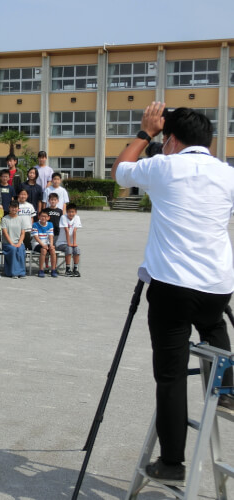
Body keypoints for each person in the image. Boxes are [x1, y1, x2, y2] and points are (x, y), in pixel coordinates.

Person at [112, 103, 234, 484]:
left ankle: (172, 463)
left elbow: (120, 174)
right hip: (217, 286)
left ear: (173, 139)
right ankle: (228, 387)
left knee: (171, 376)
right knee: (213, 325)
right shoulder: (228, 174)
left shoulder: (164, 166)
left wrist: (145, 133)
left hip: (172, 288)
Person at [1, 201, 26, 278]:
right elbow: (5, 233)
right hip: (7, 243)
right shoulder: (5, 219)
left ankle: (21, 272)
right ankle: (12, 272)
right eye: (12, 207)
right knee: (13, 249)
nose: (14, 209)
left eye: (15, 207)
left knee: (21, 249)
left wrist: (19, 243)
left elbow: (23, 233)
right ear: (9, 208)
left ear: (18, 209)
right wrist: (11, 243)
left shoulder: (21, 219)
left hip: (18, 242)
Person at [56, 202, 82, 277]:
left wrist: (74, 243)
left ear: (75, 212)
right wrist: (69, 243)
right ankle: (67, 269)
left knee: (76, 249)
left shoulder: (77, 218)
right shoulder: (63, 217)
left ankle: (75, 269)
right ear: (66, 212)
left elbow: (74, 230)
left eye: (73, 212)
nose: (71, 214)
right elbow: (66, 230)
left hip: (70, 242)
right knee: (69, 248)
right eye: (69, 212)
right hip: (61, 243)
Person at [31, 209, 57, 278]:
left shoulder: (50, 224)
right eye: (42, 216)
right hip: (37, 244)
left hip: (46, 243)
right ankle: (41, 269)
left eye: (45, 216)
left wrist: (51, 245)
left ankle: (53, 269)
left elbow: (51, 236)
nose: (43, 218)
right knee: (44, 250)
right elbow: (36, 237)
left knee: (52, 250)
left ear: (48, 217)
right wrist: (43, 245)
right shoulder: (35, 224)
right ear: (39, 217)